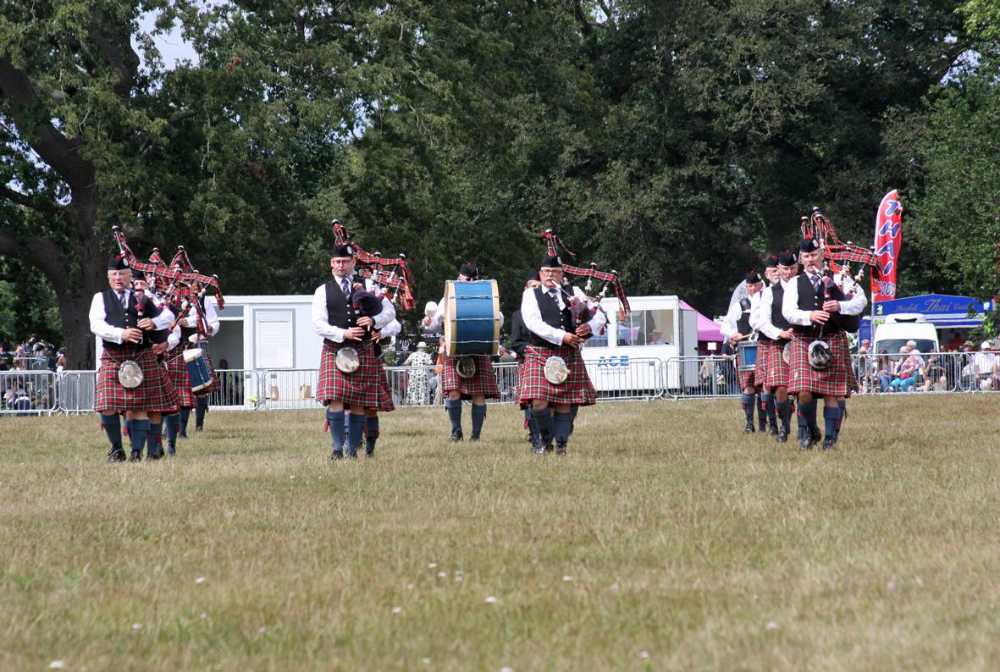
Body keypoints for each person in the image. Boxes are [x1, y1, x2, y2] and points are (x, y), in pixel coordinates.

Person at [313, 241, 396, 459]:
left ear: (353, 262)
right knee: (335, 398)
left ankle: (352, 451)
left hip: (363, 349)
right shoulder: (322, 291)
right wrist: (343, 333)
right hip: (335, 348)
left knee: (359, 402)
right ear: (331, 263)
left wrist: (375, 320)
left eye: (345, 261)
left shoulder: (369, 286)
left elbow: (390, 312)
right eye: (337, 261)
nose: (341, 265)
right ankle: (337, 449)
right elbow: (318, 324)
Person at [90, 253, 177, 462]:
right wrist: (121, 333)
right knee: (106, 405)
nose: (118, 278)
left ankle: (136, 452)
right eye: (114, 274)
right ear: (108, 277)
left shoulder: (144, 297)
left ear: (130, 276)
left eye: (122, 274)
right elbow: (96, 325)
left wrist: (154, 323)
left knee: (140, 406)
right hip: (113, 357)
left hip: (140, 356)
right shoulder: (100, 298)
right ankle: (117, 449)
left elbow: (169, 316)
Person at [782, 238, 867, 450]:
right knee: (803, 391)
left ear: (821, 254)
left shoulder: (839, 278)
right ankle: (811, 430)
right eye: (806, 256)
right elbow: (788, 312)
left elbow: (861, 301)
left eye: (813, 255)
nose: (810, 259)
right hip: (803, 339)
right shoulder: (794, 283)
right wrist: (809, 315)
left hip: (832, 337)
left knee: (832, 393)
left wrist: (840, 306)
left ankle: (830, 441)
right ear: (801, 259)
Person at [518, 253, 606, 455]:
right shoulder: (531, 295)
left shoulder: (574, 292)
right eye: (546, 271)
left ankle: (561, 446)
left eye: (555, 272)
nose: (550, 275)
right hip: (540, 352)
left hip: (567, 354)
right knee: (538, 402)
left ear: (561, 274)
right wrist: (562, 336)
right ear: (540, 273)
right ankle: (546, 439)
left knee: (564, 403)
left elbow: (599, 315)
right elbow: (533, 322)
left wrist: (590, 327)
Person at [423, 262, 502, 442]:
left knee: (479, 393)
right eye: (466, 278)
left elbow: (498, 318)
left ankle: (476, 436)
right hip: (455, 349)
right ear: (459, 277)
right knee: (453, 392)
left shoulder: (484, 294)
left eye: (473, 279)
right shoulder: (449, 296)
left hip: (479, 349)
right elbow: (434, 324)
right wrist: (428, 323)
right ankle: (456, 431)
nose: (470, 282)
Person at [754, 251, 798, 442]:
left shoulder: (804, 286)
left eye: (792, 268)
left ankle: (804, 428)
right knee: (780, 387)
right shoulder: (770, 292)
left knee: (803, 389)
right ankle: (784, 426)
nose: (788, 272)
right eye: (785, 269)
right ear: (779, 269)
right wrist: (780, 333)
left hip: (802, 341)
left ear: (797, 268)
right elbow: (763, 321)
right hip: (779, 343)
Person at [721, 270, 765, 433]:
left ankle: (763, 424)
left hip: (764, 347)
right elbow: (725, 326)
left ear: (761, 286)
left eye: (755, 285)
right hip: (746, 350)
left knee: (764, 388)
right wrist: (733, 334)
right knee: (748, 387)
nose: (752, 289)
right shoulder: (740, 305)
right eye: (749, 286)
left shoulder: (767, 302)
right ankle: (749, 423)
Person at [509, 275, 542, 445]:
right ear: (525, 290)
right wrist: (530, 350)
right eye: (532, 287)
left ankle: (546, 432)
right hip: (528, 361)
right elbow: (515, 342)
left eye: (538, 287)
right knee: (530, 401)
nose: (535, 290)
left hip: (548, 360)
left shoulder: (548, 312)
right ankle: (534, 434)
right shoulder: (518, 315)